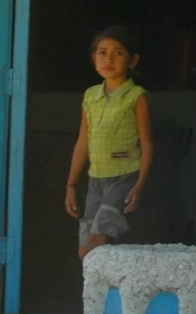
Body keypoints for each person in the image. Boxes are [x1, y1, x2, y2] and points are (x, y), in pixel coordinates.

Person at [64, 25, 153, 260]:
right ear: (94, 58)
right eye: (102, 52)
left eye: (118, 53)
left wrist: (139, 185)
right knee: (85, 251)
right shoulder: (90, 95)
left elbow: (146, 144)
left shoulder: (136, 96)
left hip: (123, 177)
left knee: (98, 242)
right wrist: (71, 186)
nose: (109, 59)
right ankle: (96, 298)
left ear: (133, 61)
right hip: (96, 180)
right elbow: (83, 142)